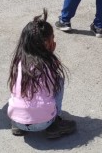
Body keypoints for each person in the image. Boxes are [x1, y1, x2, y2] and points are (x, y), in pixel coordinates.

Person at [7, 9, 76, 139]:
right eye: (52, 38)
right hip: (43, 123)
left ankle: (17, 125)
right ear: (46, 43)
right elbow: (52, 87)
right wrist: (51, 55)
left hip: (17, 118)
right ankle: (55, 123)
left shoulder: (19, 62)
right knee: (59, 80)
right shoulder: (48, 64)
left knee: (20, 84)